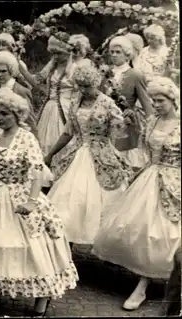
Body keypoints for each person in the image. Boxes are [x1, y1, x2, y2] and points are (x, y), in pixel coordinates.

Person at [0, 87, 78, 318]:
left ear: (17, 115)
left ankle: (41, 302)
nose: (0, 118)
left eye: (5, 114)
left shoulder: (26, 138)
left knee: (33, 248)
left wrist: (32, 202)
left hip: (21, 195)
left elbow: (36, 170)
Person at [92, 76, 180, 311]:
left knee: (166, 231)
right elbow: (143, 151)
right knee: (138, 227)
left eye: (161, 100)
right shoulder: (151, 122)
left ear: (172, 99)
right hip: (151, 175)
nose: (157, 104)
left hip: (176, 181)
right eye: (153, 100)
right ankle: (143, 280)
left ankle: (154, 283)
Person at [44, 64, 132, 247]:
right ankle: (65, 242)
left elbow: (119, 130)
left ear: (96, 84)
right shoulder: (76, 103)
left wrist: (113, 148)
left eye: (87, 86)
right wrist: (51, 154)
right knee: (69, 197)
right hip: (76, 153)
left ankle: (104, 243)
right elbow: (68, 132)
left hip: (101, 154)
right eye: (80, 86)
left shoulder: (107, 103)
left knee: (96, 199)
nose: (83, 90)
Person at [18, 34, 93, 158]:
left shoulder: (75, 69)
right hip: (49, 108)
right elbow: (36, 81)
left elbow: (81, 94)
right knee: (45, 141)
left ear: (68, 53)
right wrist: (20, 68)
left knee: (64, 140)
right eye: (53, 53)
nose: (56, 57)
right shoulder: (53, 66)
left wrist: (76, 112)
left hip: (67, 108)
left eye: (59, 53)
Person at [107, 35, 154, 171]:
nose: (114, 55)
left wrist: (151, 127)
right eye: (112, 52)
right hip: (104, 121)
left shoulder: (135, 75)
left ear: (127, 55)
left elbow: (147, 103)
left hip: (125, 123)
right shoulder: (105, 73)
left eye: (118, 52)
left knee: (124, 163)